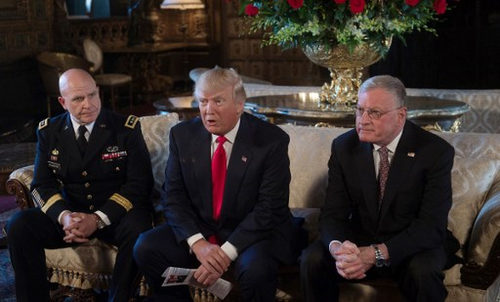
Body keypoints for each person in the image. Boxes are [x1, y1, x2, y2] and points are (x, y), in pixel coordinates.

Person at [133, 66, 294, 301]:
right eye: (203, 101)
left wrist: (224, 254)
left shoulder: (271, 140)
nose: (208, 110)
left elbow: (269, 208)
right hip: (203, 228)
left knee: (255, 270)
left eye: (218, 101)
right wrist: (198, 244)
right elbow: (173, 197)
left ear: (239, 105)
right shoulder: (182, 135)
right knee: (146, 247)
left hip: (252, 232)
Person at [300, 75, 455, 302]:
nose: (363, 120)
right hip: (358, 241)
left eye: (374, 113)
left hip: (410, 245)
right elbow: (333, 214)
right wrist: (339, 250)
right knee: (312, 260)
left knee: (423, 272)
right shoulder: (345, 147)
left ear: (401, 115)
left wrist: (376, 254)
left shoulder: (434, 152)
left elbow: (431, 226)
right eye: (360, 109)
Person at [6, 68, 154, 302]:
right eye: (78, 99)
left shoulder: (125, 128)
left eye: (93, 95)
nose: (89, 104)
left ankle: (119, 298)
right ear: (63, 102)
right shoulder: (49, 131)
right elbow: (41, 185)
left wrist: (96, 219)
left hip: (114, 216)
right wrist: (64, 216)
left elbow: (139, 184)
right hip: (71, 215)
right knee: (19, 224)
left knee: (140, 226)